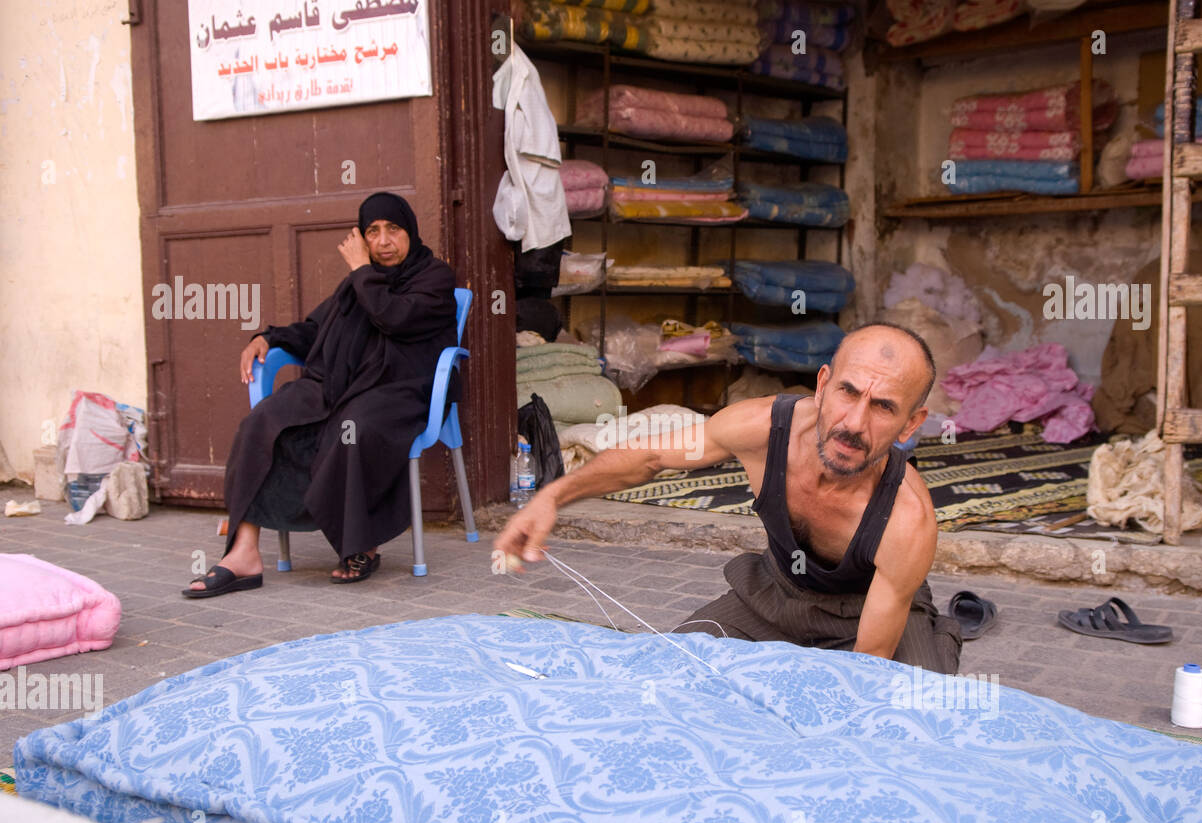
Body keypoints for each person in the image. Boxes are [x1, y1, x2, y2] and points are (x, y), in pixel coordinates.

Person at [494, 322, 963, 672]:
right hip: (777, 597)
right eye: (848, 392)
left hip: (868, 616)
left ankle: (943, 633)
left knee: (907, 715)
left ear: (911, 424)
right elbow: (652, 456)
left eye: (883, 407)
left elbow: (865, 672)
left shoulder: (906, 518)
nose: (854, 424)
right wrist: (552, 497)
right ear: (822, 385)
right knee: (672, 669)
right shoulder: (761, 428)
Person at [183, 192, 459, 597]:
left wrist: (362, 271)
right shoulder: (356, 284)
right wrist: (268, 337)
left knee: (353, 428)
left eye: (393, 230)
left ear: (410, 233)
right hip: (338, 384)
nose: (383, 241)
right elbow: (318, 330)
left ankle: (361, 542)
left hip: (397, 389)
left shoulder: (433, 277)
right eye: (372, 232)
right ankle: (243, 553)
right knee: (261, 422)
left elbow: (395, 318)